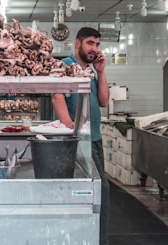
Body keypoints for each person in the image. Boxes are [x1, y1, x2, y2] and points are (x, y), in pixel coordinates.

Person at [51, 27, 110, 245]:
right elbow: (57, 97)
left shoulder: (90, 72)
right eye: (90, 43)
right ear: (77, 43)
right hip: (79, 142)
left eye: (97, 44)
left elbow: (104, 101)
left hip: (95, 140)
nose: (94, 48)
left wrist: (101, 72)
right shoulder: (66, 65)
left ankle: (88, 236)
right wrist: (70, 127)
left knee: (95, 191)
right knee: (98, 191)